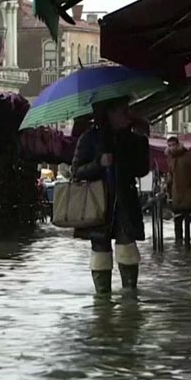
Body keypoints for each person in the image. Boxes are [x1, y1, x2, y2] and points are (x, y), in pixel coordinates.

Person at [71, 97, 151, 294]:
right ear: (110, 113)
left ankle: (130, 300)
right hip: (98, 205)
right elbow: (76, 172)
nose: (127, 115)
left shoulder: (132, 138)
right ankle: (102, 301)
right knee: (100, 252)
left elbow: (142, 170)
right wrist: (99, 164)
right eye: (123, 110)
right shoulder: (89, 138)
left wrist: (141, 140)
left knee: (128, 250)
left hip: (125, 202)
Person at [165, 135, 191, 243]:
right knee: (178, 219)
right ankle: (179, 242)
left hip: (189, 192)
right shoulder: (171, 159)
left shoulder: (188, 157)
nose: (171, 148)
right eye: (169, 146)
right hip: (176, 194)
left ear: (178, 144)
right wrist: (167, 189)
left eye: (173, 145)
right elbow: (170, 175)